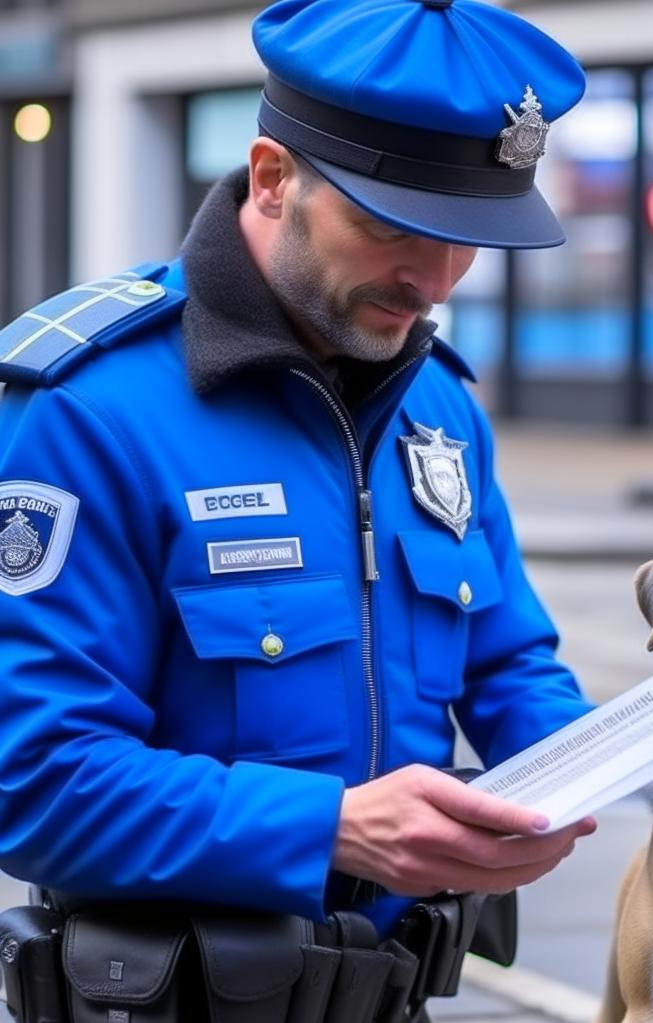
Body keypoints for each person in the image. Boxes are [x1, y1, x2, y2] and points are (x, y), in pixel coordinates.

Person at [0, 0, 596, 946]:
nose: (438, 280)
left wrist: (581, 762)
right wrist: (334, 829)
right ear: (274, 179)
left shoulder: (438, 404)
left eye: (470, 236)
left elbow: (507, 659)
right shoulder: (90, 409)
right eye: (396, 227)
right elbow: (33, 778)